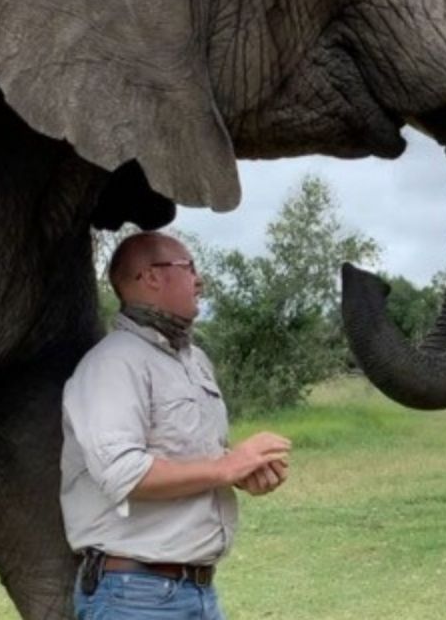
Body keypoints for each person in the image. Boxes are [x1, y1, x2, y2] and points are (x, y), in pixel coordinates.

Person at [60, 231, 292, 619]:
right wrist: (226, 467)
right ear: (151, 277)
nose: (199, 280)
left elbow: (191, 459)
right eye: (190, 268)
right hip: (133, 597)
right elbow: (123, 474)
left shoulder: (194, 361)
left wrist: (240, 472)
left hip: (194, 592)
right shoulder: (113, 364)